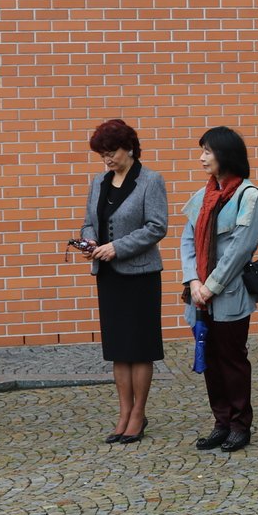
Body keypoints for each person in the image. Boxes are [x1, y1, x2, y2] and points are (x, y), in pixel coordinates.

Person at [80, 119, 168, 445]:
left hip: (140, 275)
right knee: (118, 349)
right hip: (109, 276)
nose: (107, 159)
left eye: (112, 152)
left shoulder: (150, 181)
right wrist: (91, 242)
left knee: (139, 348)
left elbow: (156, 226)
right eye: (102, 154)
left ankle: (138, 414)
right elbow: (89, 222)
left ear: (129, 148)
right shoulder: (99, 182)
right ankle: (123, 412)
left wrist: (117, 247)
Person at [179, 126, 258, 453]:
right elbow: (187, 242)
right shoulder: (202, 196)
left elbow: (240, 249)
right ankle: (221, 422)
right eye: (202, 151)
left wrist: (210, 286)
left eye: (208, 152)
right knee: (210, 360)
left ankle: (240, 425)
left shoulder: (248, 195)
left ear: (225, 154)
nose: (202, 158)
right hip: (199, 296)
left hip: (228, 295)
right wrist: (194, 282)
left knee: (232, 359)